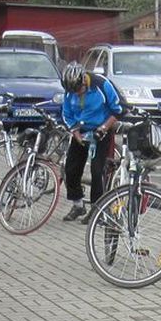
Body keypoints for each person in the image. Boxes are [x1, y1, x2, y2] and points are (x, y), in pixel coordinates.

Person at [57, 61, 123, 223]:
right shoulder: (70, 92)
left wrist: (103, 128)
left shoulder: (101, 85)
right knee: (71, 169)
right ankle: (78, 205)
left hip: (101, 131)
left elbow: (118, 110)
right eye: (73, 92)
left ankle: (97, 209)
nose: (77, 94)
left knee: (97, 171)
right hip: (81, 131)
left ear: (83, 81)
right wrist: (75, 133)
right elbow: (67, 114)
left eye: (78, 90)